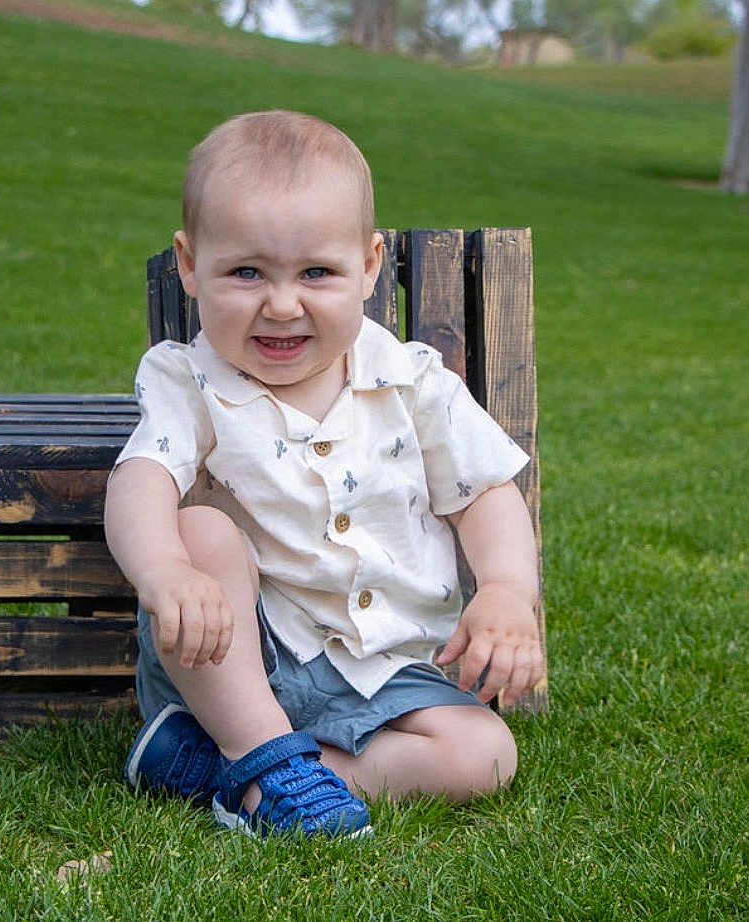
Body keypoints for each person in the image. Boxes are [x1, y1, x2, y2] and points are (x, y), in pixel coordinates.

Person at [105, 110, 543, 839]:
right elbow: (141, 478)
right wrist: (164, 574)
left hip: (386, 664)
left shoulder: (411, 383)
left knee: (486, 754)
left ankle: (222, 772)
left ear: (369, 266)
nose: (282, 304)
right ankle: (252, 748)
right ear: (188, 264)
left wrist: (505, 590)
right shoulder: (190, 380)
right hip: (238, 654)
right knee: (201, 530)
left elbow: (486, 492)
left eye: (317, 272)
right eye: (246, 272)